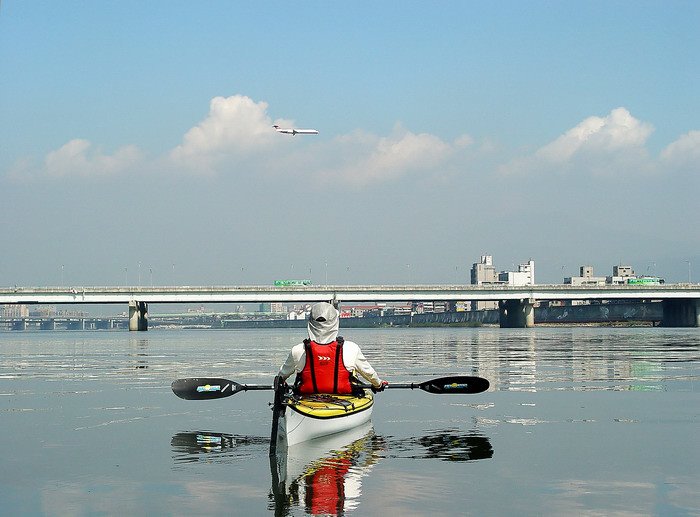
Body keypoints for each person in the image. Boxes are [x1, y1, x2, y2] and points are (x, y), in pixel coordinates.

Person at [278, 302, 388, 395]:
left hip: (308, 401)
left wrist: (282, 384)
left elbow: (281, 377)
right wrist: (378, 384)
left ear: (310, 322)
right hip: (343, 399)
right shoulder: (351, 348)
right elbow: (369, 373)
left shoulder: (297, 350)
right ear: (335, 322)